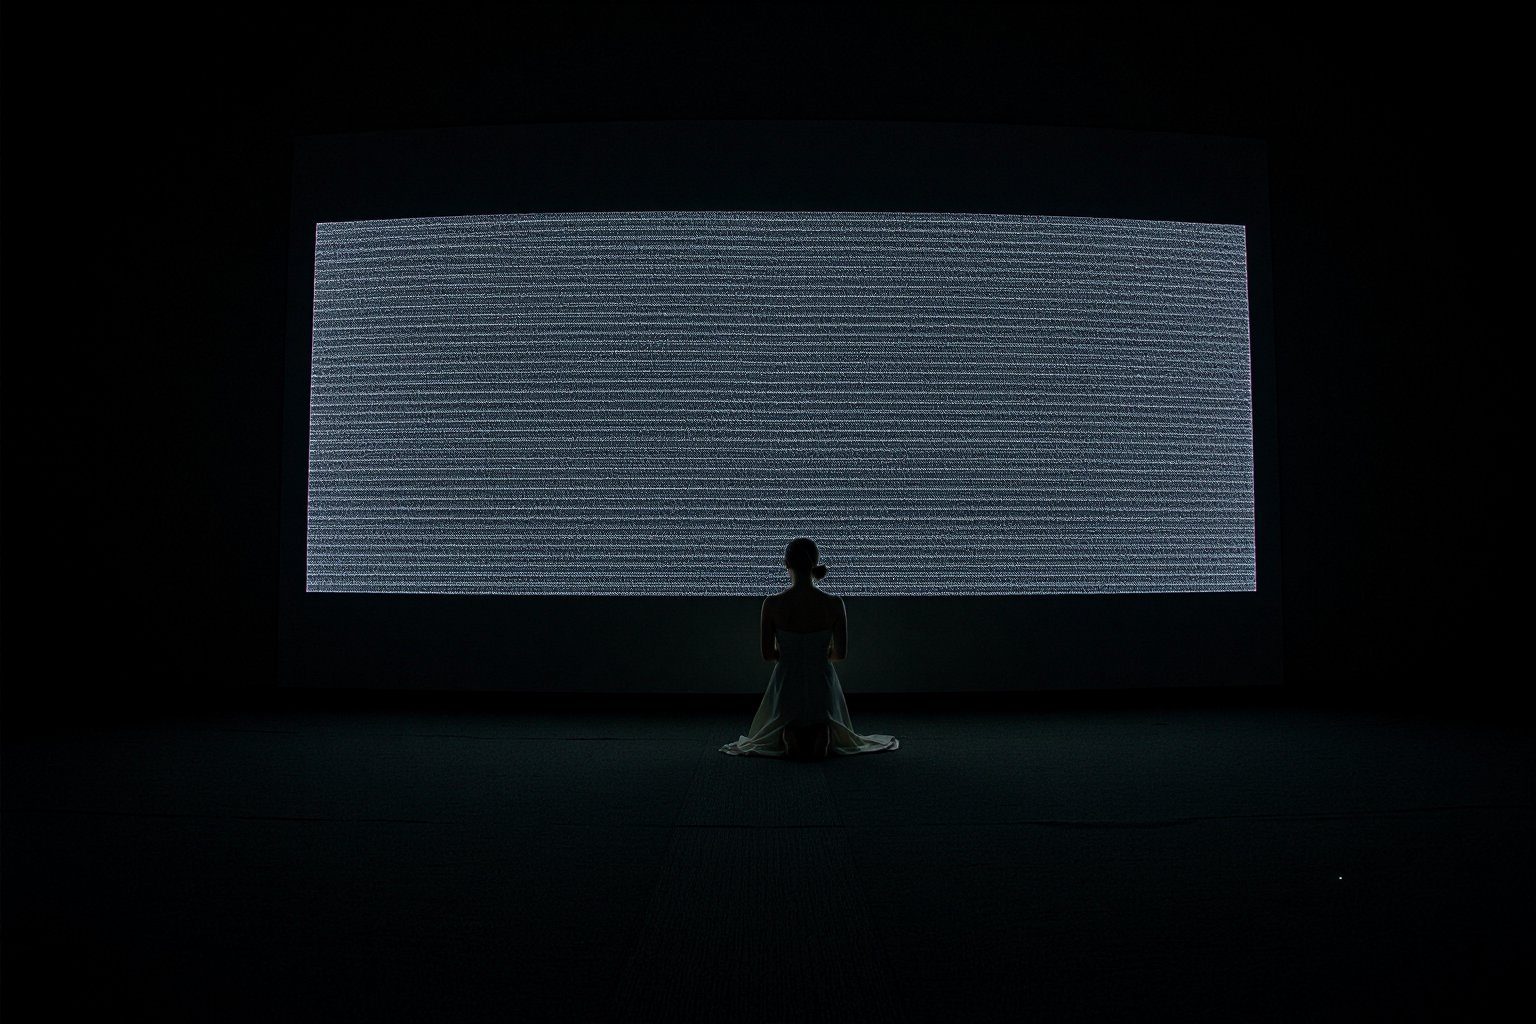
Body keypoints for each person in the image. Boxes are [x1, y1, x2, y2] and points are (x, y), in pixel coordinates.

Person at [719, 537, 899, 759]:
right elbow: (840, 654)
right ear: (815, 563)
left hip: (786, 683)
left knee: (786, 719)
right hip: (821, 684)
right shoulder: (834, 603)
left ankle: (789, 733)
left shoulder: (772, 604)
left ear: (786, 564)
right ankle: (822, 731)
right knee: (821, 717)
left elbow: (767, 654)